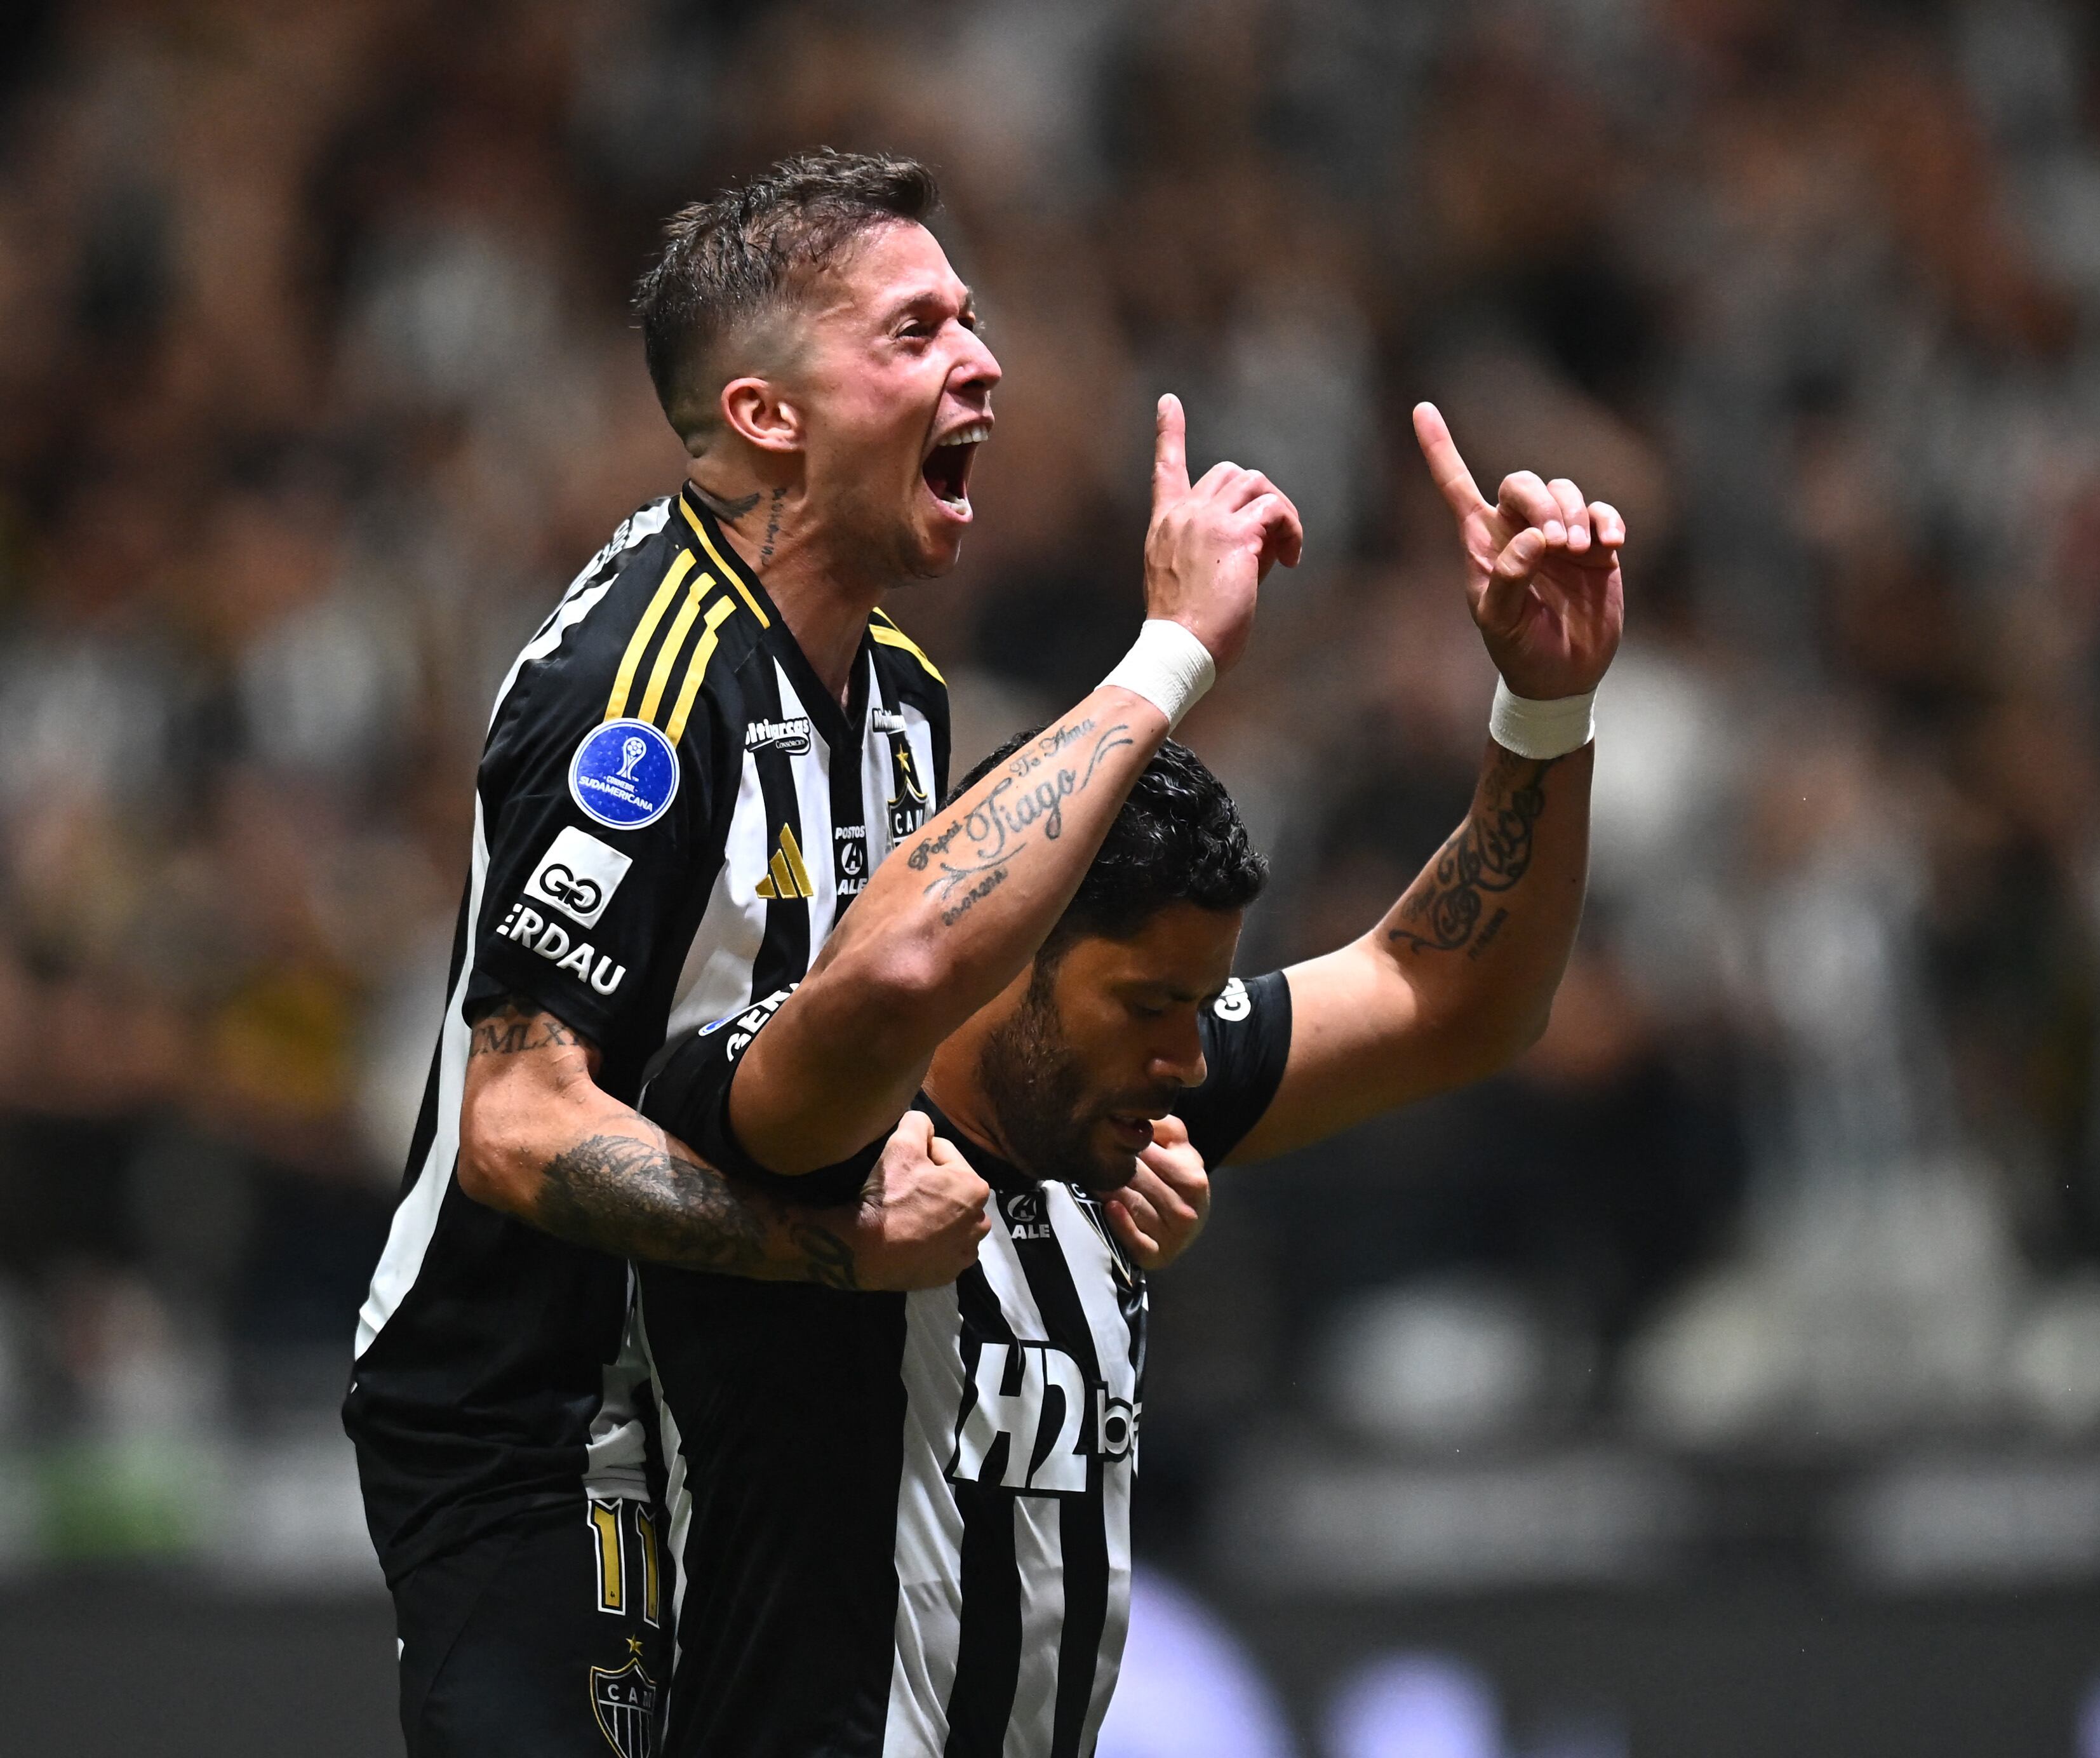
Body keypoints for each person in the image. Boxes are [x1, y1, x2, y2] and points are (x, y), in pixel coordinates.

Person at [343, 148, 1301, 1757]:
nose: (981, 360)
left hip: (742, 1402)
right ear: (770, 415)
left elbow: (891, 1061)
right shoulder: (647, 683)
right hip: (542, 1422)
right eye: (915, 332)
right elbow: (513, 1124)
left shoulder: (906, 694)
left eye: (972, 321)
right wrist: (841, 1257)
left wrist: (1088, 1163)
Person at [634, 406, 1626, 1756]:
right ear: (1012, 958)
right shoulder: (805, 1116)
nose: (1187, 1051)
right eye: (1148, 1004)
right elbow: (896, 961)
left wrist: (1546, 707)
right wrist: (1171, 655)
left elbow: (1450, 997)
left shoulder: (1120, 1119)